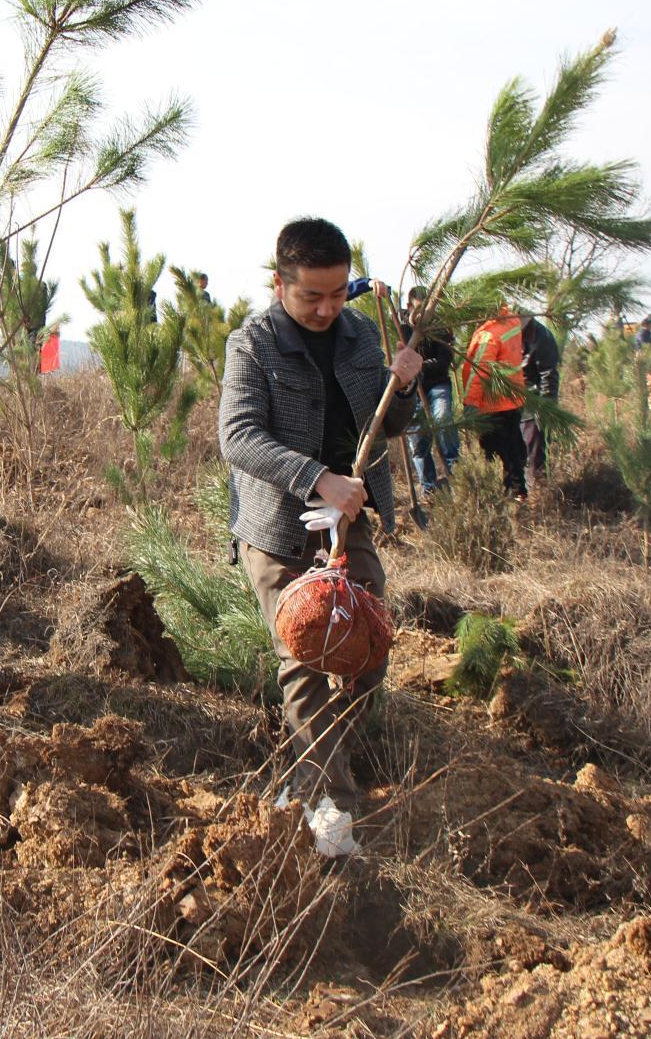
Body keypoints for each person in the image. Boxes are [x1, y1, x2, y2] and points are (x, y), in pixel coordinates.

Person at [218, 216, 420, 856]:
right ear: (280, 284)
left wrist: (405, 384)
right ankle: (330, 801)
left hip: (350, 520)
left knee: (367, 646)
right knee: (307, 652)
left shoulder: (360, 335)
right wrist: (315, 477)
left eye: (337, 294)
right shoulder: (252, 344)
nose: (327, 308)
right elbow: (239, 436)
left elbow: (389, 423)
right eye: (312, 296)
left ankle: (311, 772)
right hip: (279, 524)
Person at [461, 305, 529, 497]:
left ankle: (502, 494)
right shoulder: (512, 321)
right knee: (513, 447)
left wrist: (471, 403)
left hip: (493, 404)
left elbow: (480, 372)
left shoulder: (489, 336)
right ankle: (519, 491)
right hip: (513, 398)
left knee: (494, 452)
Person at [399, 285, 457, 495]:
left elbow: (444, 360)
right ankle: (428, 488)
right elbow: (402, 359)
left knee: (443, 419)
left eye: (427, 310)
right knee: (417, 438)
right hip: (414, 389)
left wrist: (421, 365)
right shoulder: (402, 327)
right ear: (409, 306)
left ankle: (454, 472)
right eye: (418, 309)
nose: (423, 315)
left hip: (438, 384)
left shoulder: (440, 327)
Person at [519, 312, 561, 489]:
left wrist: (544, 409)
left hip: (535, 395)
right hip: (512, 395)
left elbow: (548, 376)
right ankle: (519, 489)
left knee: (534, 440)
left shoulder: (543, 338)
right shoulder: (504, 336)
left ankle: (537, 490)